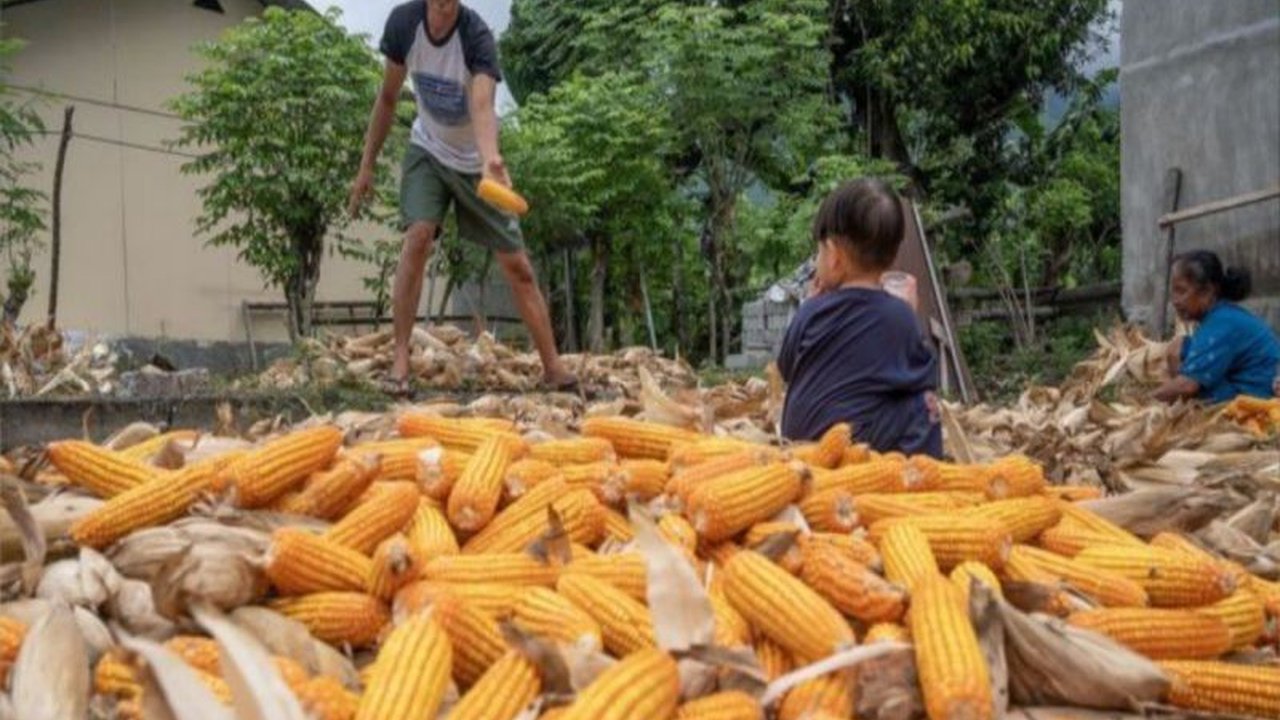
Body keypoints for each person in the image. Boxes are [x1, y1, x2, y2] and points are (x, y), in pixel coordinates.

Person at [348, 0, 576, 396]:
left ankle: (553, 367)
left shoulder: (476, 36)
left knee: (518, 265)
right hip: (428, 150)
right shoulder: (404, 24)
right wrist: (366, 165)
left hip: (475, 163)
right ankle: (400, 363)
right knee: (418, 237)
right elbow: (387, 98)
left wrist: (490, 160)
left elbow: (483, 104)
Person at [777, 179, 942, 457]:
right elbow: (924, 375)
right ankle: (919, 471)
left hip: (800, 444)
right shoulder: (899, 314)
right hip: (856, 446)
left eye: (819, 251)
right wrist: (909, 316)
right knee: (924, 403)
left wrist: (811, 303)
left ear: (834, 257)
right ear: (892, 256)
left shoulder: (810, 310)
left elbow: (785, 368)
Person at [1154, 250, 1279, 403]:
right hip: (1245, 384)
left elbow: (1187, 386)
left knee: (1188, 383)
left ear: (1207, 291)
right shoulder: (1220, 316)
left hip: (1258, 394)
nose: (1175, 300)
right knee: (1180, 346)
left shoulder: (1222, 322)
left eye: (1181, 291)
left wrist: (1147, 402)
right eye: (1173, 292)